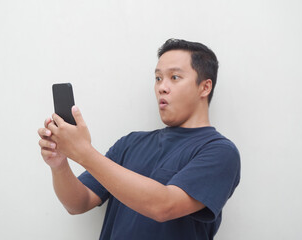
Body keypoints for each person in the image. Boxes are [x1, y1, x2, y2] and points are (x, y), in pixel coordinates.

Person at [38, 39, 240, 240]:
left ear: (204, 88)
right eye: (158, 78)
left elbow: (164, 206)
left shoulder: (220, 152)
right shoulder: (130, 143)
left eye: (175, 77)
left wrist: (84, 153)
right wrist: (59, 165)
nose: (162, 87)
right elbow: (78, 203)